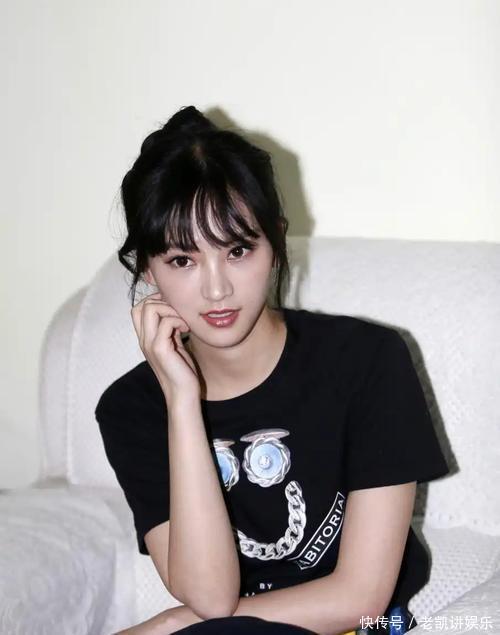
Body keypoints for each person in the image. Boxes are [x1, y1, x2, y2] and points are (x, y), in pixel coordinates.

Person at [95, 105, 450, 635]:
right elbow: (210, 597)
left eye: (238, 250)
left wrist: (172, 625)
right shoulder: (132, 408)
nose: (217, 289)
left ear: (276, 242)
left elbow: (361, 598)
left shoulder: (366, 361)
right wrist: (182, 401)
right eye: (182, 260)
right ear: (148, 268)